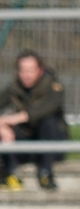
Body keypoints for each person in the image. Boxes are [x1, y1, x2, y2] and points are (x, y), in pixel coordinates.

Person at [0, 50, 69, 191]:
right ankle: (11, 174)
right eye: (23, 70)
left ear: (40, 70)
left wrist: (17, 118)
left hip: (52, 145)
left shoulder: (53, 86)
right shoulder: (14, 88)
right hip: (26, 143)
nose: (26, 75)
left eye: (30, 70)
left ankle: (46, 172)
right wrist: (2, 126)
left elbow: (47, 108)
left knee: (48, 122)